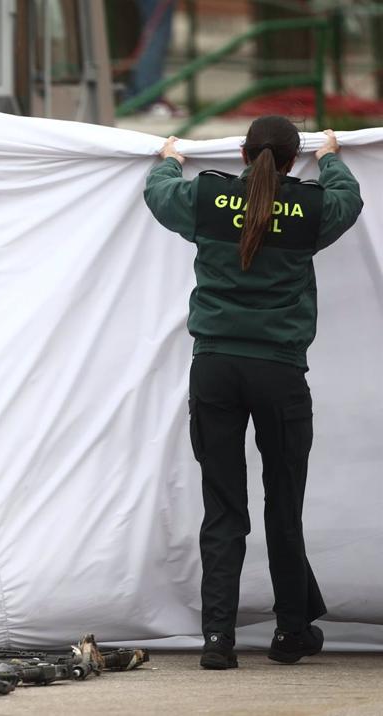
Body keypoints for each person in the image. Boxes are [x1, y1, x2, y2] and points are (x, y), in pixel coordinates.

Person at [142, 116, 363, 670]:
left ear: (242, 153)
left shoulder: (208, 199)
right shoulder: (311, 208)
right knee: (283, 506)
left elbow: (159, 194)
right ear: (291, 159)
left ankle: (218, 638)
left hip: (215, 368)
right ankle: (291, 630)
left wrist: (170, 160)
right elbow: (348, 200)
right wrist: (330, 156)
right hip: (279, 373)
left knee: (223, 508)